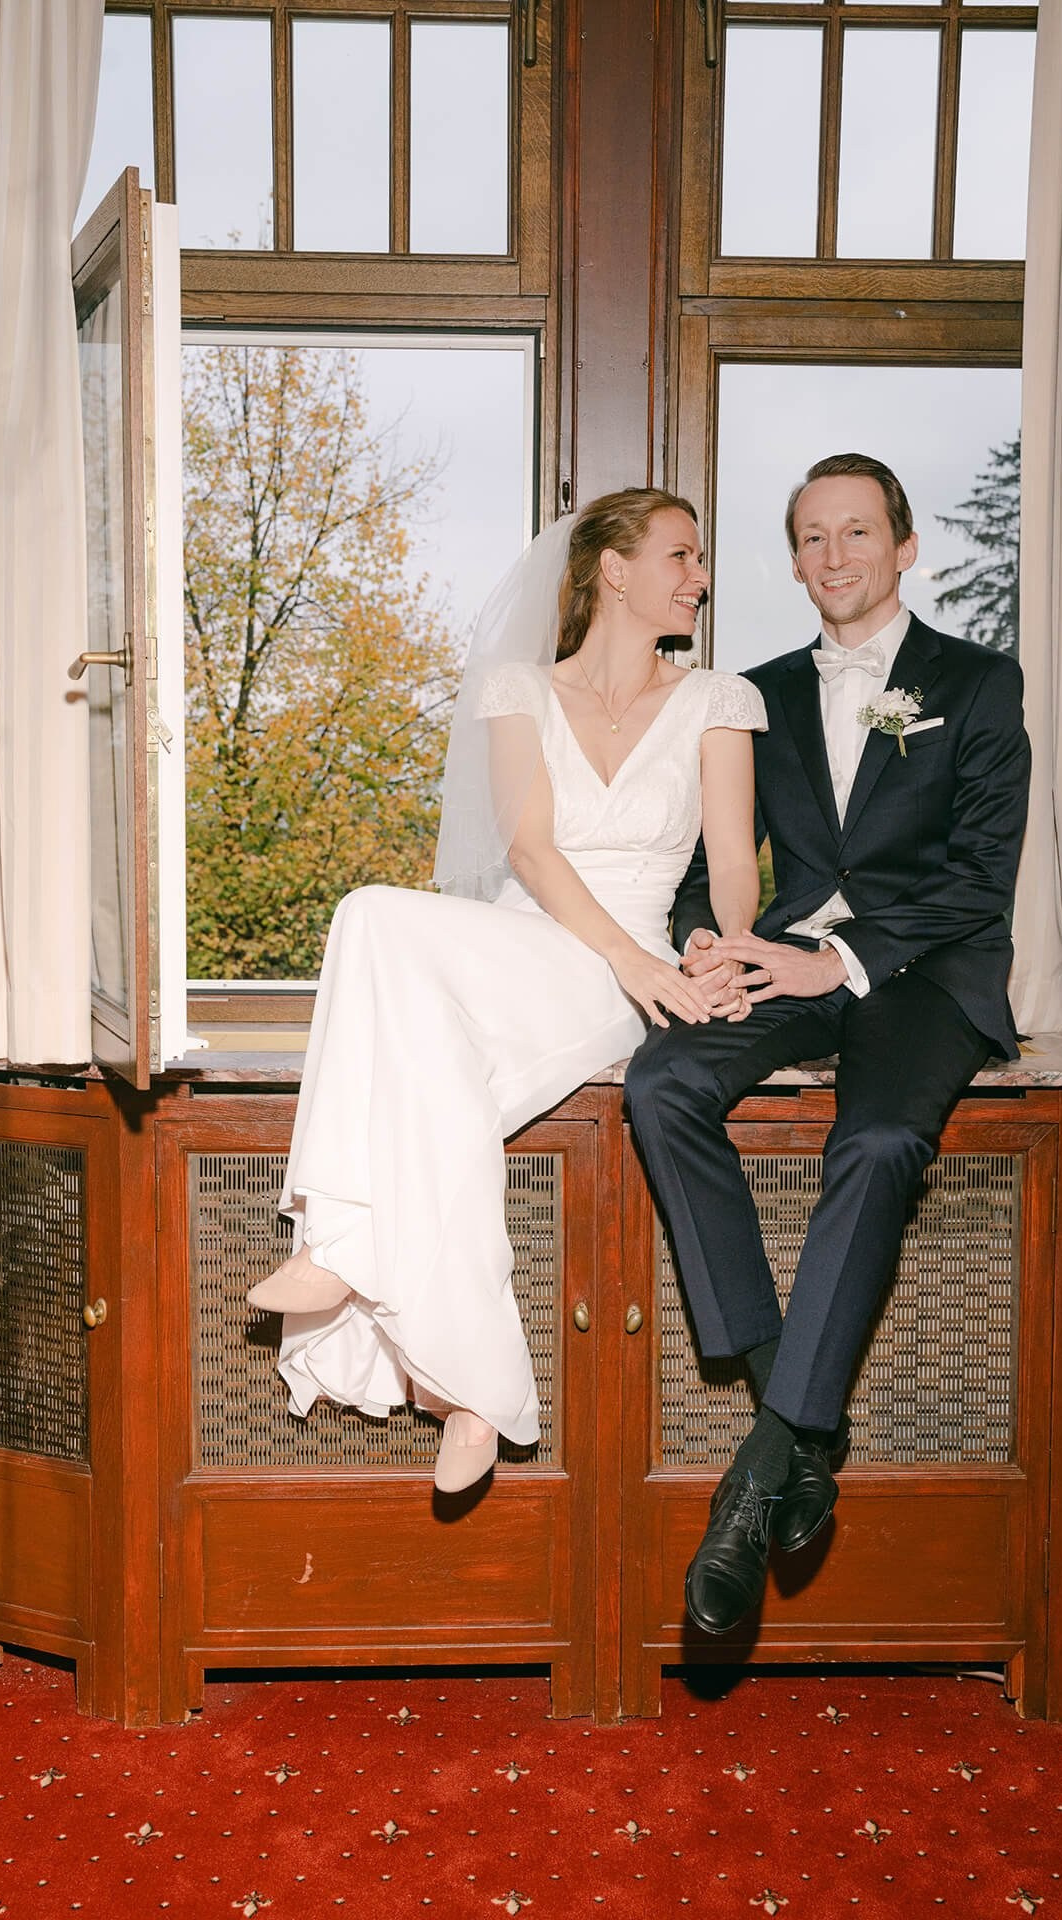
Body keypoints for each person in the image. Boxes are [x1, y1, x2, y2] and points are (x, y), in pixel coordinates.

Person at [246, 488, 767, 1494]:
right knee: (371, 924)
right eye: (681, 556)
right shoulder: (518, 690)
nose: (699, 578)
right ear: (614, 571)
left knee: (381, 944)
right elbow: (528, 851)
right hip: (546, 942)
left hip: (623, 977)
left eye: (701, 561)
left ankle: (354, 1249)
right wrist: (630, 957)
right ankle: (472, 1386)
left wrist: (723, 951)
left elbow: (734, 862)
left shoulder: (719, 701)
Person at [624, 452, 1031, 1635]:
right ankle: (798, 1420)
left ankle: (754, 1482)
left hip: (923, 971)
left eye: (857, 533)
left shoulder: (981, 681)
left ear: (904, 547)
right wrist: (708, 941)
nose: (835, 556)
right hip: (784, 958)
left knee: (885, 1137)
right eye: (812, 537)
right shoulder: (748, 695)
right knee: (662, 1083)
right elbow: (713, 869)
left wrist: (841, 961)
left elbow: (979, 878)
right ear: (794, 559)